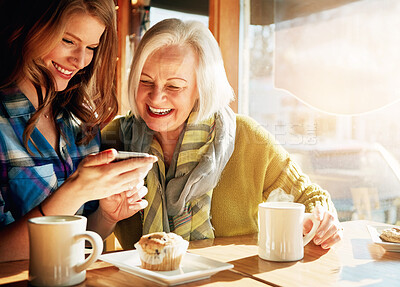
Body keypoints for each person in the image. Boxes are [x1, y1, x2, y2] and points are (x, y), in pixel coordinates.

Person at [101, 18, 343, 249]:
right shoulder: (114, 138)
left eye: (174, 86)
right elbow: (83, 224)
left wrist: (322, 221)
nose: (156, 97)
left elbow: (310, 196)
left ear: (201, 88)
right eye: (145, 81)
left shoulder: (246, 137)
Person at [0, 0, 157, 262]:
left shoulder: (80, 123)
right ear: (32, 28)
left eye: (92, 47)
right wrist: (75, 191)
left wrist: (106, 215)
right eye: (68, 41)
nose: (80, 60)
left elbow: (81, 241)